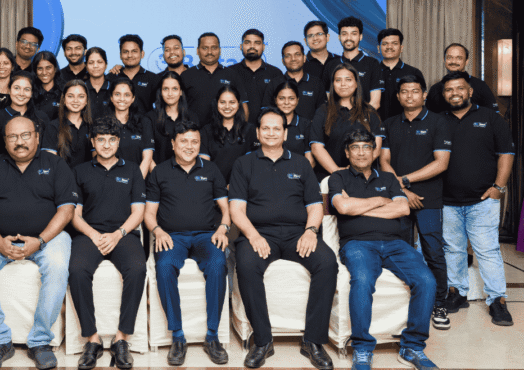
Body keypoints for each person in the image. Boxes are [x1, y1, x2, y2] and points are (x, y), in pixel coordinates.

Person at [0, 116, 78, 370]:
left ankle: (40, 341)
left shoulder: (55, 164)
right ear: (4, 141)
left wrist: (40, 240)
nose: (20, 142)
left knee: (58, 265)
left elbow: (66, 209)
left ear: (37, 137)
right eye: (13, 137)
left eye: (25, 135)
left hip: (47, 237)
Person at [230, 108, 337, 370]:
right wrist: (253, 235)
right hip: (259, 233)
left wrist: (310, 231)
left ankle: (313, 341)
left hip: (296, 234)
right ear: (257, 133)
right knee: (246, 264)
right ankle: (262, 341)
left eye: (276, 128)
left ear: (285, 133)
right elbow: (236, 209)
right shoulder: (244, 164)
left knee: (327, 262)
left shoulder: (301, 164)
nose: (271, 133)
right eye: (265, 128)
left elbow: (315, 206)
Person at [329, 129, 439, 370]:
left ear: (374, 152)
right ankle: (362, 348)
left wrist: (358, 208)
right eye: (355, 148)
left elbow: (403, 209)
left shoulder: (389, 179)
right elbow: (343, 207)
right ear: (347, 153)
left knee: (427, 280)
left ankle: (412, 347)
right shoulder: (338, 177)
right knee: (362, 280)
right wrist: (381, 201)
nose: (361, 152)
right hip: (357, 243)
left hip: (395, 243)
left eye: (366, 147)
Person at [145, 121, 230, 366]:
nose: (189, 146)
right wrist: (158, 231)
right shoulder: (160, 172)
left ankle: (212, 336)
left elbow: (226, 209)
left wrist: (224, 228)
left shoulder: (211, 169)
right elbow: (149, 213)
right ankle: (178, 336)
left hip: (206, 235)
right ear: (173, 144)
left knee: (218, 263)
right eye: (183, 141)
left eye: (194, 141)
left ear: (200, 144)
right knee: (164, 267)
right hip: (172, 236)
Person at [69, 116, 147, 370]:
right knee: (76, 270)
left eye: (111, 140)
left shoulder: (132, 170)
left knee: (137, 268)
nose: (106, 145)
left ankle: (121, 339)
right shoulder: (80, 171)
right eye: (100, 139)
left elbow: (138, 212)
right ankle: (92, 340)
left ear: (118, 141)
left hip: (123, 234)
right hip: (88, 234)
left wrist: (117, 234)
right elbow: (74, 215)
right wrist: (94, 235)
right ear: (92, 142)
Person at [439, 72, 514, 326]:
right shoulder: (438, 121)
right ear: (443, 94)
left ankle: (497, 300)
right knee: (453, 249)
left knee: (487, 250)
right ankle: (457, 293)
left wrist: (498, 188)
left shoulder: (491, 118)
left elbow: (506, 153)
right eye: (449, 89)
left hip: (483, 201)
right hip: (447, 202)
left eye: (460, 88)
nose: (455, 93)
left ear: (470, 91)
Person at [379, 74, 452, 330]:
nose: (409, 96)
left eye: (415, 91)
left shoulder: (438, 122)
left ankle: (439, 304)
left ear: (424, 95)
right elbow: (383, 161)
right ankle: (405, 303)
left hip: (428, 199)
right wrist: (402, 190)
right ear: (398, 97)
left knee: (434, 252)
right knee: (400, 251)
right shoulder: (389, 123)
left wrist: (406, 180)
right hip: (398, 199)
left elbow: (441, 163)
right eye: (404, 92)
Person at [310, 63, 384, 180]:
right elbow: (316, 147)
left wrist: (356, 171)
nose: (343, 84)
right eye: (338, 80)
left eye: (348, 79)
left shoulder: (370, 111)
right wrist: (337, 172)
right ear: (333, 84)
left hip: (364, 177)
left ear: (356, 83)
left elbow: (376, 148)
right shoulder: (323, 111)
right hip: (330, 177)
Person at [181, 32, 247, 126]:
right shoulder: (186, 75)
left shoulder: (232, 74)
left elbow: (243, 106)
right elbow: (178, 107)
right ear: (197, 51)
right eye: (205, 48)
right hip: (194, 132)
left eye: (214, 48)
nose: (209, 52)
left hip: (225, 133)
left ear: (220, 50)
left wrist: (241, 130)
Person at [199, 85, 260, 184]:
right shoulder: (206, 131)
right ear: (217, 103)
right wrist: (219, 187)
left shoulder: (250, 130)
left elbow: (252, 165)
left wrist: (235, 185)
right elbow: (205, 167)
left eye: (232, 102)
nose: (227, 106)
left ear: (238, 104)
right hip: (214, 186)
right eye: (222, 102)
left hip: (242, 186)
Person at [0, 72, 48, 160]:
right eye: (17, 88)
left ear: (32, 93)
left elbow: (47, 153)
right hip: (4, 167)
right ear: (9, 90)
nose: (21, 93)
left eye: (27, 89)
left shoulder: (41, 117)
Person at [321, 16, 382, 109]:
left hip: (365, 117)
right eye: (344, 34)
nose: (348, 38)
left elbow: (375, 103)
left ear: (360, 37)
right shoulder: (330, 65)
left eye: (353, 34)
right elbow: (328, 100)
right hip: (336, 118)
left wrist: (358, 118)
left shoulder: (372, 64)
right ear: (339, 37)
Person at [228, 28, 282, 126]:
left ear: (263, 47)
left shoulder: (275, 73)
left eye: (257, 43)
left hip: (268, 129)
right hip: (237, 129)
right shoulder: (230, 72)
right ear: (241, 46)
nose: (252, 46)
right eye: (247, 42)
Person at [426, 43, 500, 114]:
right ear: (444, 60)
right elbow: (429, 118)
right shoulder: (435, 89)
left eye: (459, 58)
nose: (453, 61)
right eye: (449, 57)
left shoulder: (480, 86)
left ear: (466, 61)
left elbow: (493, 116)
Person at [261, 41, 326, 120]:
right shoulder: (274, 84)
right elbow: (266, 112)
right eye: (288, 56)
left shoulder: (316, 83)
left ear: (304, 58)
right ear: (283, 61)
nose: (293, 59)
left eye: (297, 54)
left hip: (310, 128)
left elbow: (323, 113)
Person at [147, 71, 199, 165]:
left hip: (186, 172)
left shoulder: (192, 117)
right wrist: (158, 173)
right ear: (160, 92)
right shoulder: (150, 118)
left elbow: (196, 151)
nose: (170, 93)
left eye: (174, 89)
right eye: (165, 89)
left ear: (181, 92)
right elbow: (148, 156)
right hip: (157, 172)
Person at [41, 80, 94, 168]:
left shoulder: (92, 127)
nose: (75, 100)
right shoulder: (53, 127)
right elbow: (49, 163)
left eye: (81, 96)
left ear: (86, 101)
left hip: (88, 176)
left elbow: (97, 162)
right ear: (64, 100)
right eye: (70, 96)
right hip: (61, 175)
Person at [375, 28, 425, 119]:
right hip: (375, 124)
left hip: (406, 124)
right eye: (385, 44)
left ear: (401, 48)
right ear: (378, 48)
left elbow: (421, 102)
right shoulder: (372, 71)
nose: (389, 47)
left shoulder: (413, 72)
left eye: (394, 43)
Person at [108, 79, 154, 178]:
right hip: (111, 181)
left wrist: (135, 183)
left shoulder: (144, 122)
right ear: (111, 97)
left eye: (127, 95)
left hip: (140, 179)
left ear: (133, 98)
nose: (122, 99)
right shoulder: (103, 123)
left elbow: (147, 159)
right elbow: (99, 159)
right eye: (117, 94)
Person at [107, 34, 159, 114]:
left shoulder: (154, 79)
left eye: (134, 51)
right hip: (115, 122)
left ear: (142, 54)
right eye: (125, 52)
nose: (130, 55)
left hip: (145, 122)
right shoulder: (111, 78)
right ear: (120, 55)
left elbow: (160, 108)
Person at [268, 81, 315, 167]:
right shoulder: (267, 123)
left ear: (297, 100)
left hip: (298, 172)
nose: (286, 102)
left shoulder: (306, 125)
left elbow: (310, 161)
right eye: (281, 98)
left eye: (291, 98)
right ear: (275, 100)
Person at [32, 51, 64, 121]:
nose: (44, 72)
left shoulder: (64, 92)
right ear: (35, 71)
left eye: (48, 68)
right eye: (40, 68)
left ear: (55, 69)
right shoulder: (30, 92)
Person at [84, 47, 113, 120]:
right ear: (86, 66)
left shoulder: (114, 88)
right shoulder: (80, 88)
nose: (95, 66)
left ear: (106, 65)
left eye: (99, 62)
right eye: (91, 63)